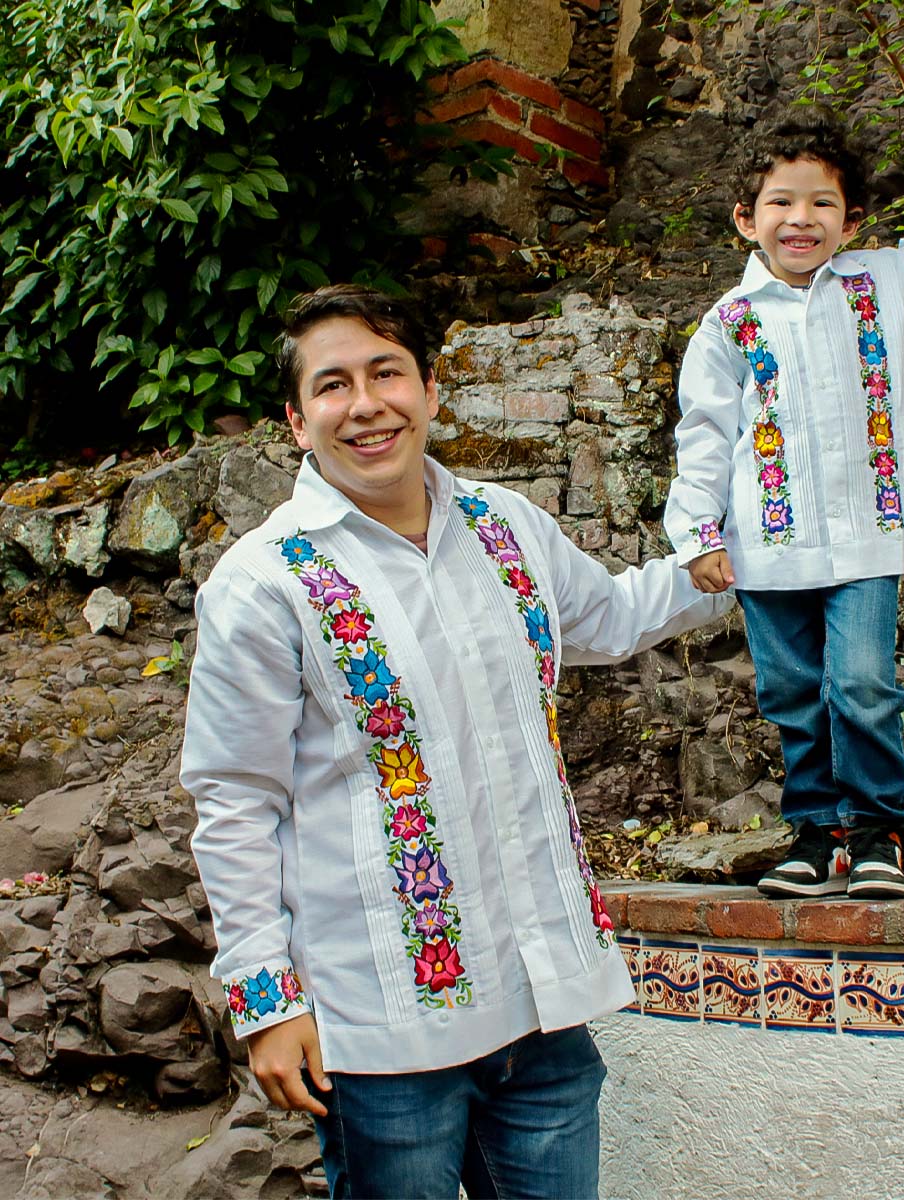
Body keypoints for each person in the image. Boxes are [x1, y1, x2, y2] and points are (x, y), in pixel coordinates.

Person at [180, 284, 729, 1199]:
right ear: (295, 419)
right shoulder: (263, 583)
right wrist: (268, 1003)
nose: (365, 404)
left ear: (431, 391)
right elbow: (236, 799)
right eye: (332, 385)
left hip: (543, 1009)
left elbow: (613, 614)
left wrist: (741, 561)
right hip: (385, 1026)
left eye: (386, 372)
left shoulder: (505, 526)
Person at [664, 104, 904, 901]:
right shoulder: (728, 325)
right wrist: (696, 532)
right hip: (768, 548)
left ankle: (876, 833)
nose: (801, 219)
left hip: (866, 537)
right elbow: (704, 432)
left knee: (864, 682)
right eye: (781, 202)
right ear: (746, 219)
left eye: (822, 203)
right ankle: (813, 835)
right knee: (793, 692)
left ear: (851, 220)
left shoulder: (884, 282)